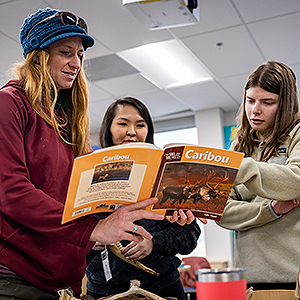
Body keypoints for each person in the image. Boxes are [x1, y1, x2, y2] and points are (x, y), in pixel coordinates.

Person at [0, 8, 167, 299]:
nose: (75, 63)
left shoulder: (68, 118)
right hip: (16, 279)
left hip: (63, 283)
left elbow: (89, 196)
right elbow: (11, 192)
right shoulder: (10, 104)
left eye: (79, 55)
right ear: (38, 56)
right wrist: (93, 229)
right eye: (65, 52)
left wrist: (164, 205)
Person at [85, 97, 202, 299]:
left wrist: (153, 242)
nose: (132, 131)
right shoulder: (88, 173)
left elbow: (190, 236)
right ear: (109, 129)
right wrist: (90, 239)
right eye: (122, 123)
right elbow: (68, 233)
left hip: (162, 287)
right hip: (103, 289)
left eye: (140, 125)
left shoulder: (169, 173)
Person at [217, 61, 300, 290]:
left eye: (267, 102)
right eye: (250, 100)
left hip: (293, 278)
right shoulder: (238, 146)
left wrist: (238, 169)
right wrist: (269, 210)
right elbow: (221, 211)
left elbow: (296, 181)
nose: (255, 109)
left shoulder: (298, 134)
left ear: (286, 104)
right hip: (249, 279)